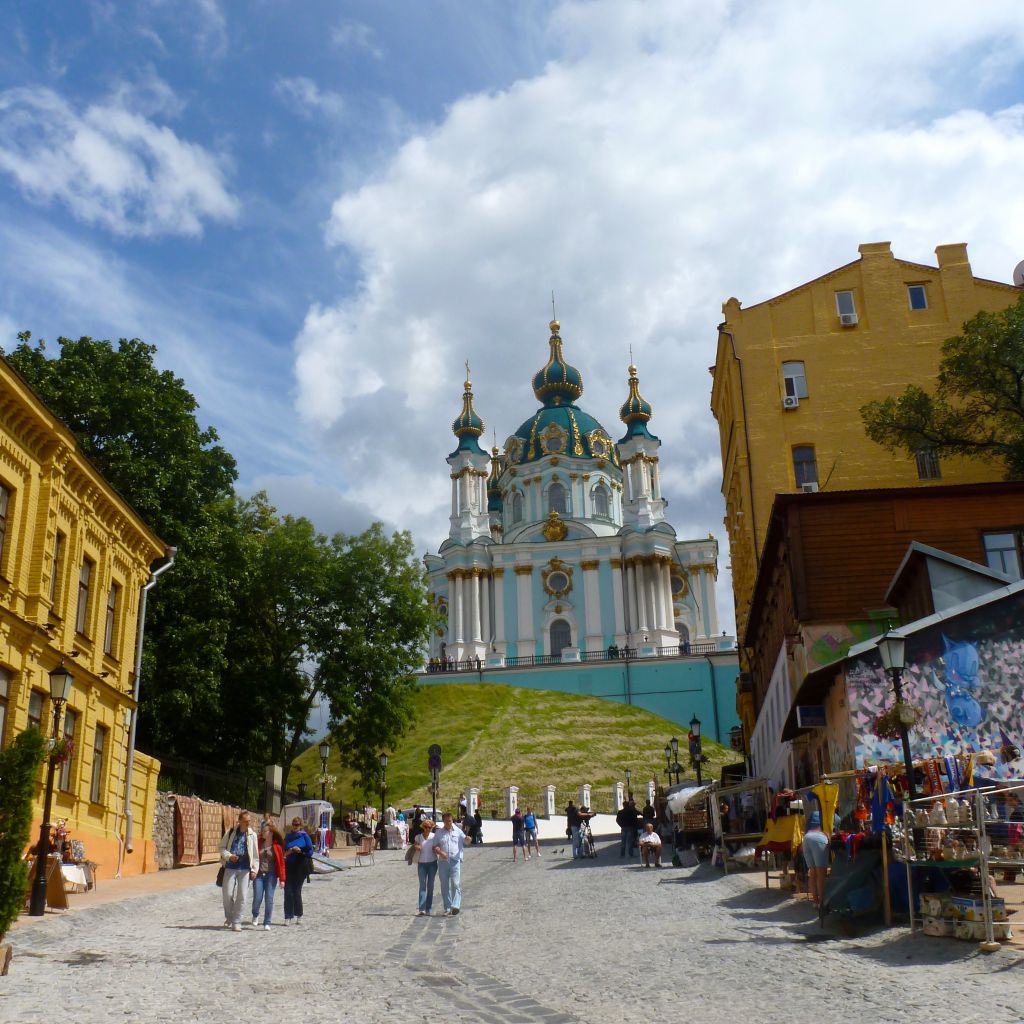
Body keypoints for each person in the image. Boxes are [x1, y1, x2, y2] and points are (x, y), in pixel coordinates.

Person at [219, 811, 258, 932]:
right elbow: (221, 848)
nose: (248, 823)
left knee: (242, 895)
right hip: (230, 866)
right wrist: (229, 856)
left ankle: (237, 921)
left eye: (249, 821)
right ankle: (229, 916)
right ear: (240, 821)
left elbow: (255, 855)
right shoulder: (231, 833)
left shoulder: (252, 835)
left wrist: (254, 870)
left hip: (245, 868)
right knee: (227, 893)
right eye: (246, 821)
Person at [251, 822, 286, 929]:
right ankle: (255, 914)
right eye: (262, 831)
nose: (262, 833)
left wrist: (282, 879)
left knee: (269, 899)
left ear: (270, 833)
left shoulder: (277, 847)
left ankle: (267, 922)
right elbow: (252, 858)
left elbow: (281, 864)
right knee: (257, 897)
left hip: (271, 875)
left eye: (265, 831)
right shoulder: (258, 843)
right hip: (259, 875)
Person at [433, 811, 466, 915]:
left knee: (456, 883)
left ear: (452, 820)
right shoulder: (439, 833)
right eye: (447, 821)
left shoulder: (458, 831)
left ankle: (455, 906)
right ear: (443, 821)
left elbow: (465, 840)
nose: (449, 823)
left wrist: (469, 839)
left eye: (450, 821)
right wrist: (440, 852)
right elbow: (434, 846)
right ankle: (447, 908)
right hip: (443, 862)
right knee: (444, 885)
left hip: (455, 860)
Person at [283, 816, 314, 925]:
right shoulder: (288, 836)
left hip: (300, 866)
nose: (295, 826)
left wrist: (300, 850)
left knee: (296, 891)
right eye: (293, 824)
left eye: (297, 824)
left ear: (300, 826)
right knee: (287, 892)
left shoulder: (304, 836)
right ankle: (288, 916)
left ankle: (299, 915)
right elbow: (283, 849)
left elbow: (310, 851)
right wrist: (289, 851)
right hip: (289, 865)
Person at [801, 811, 830, 906]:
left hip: (807, 838)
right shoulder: (829, 812)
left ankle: (816, 901)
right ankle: (822, 902)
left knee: (813, 873)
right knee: (821, 874)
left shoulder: (814, 813)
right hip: (819, 838)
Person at [414, 818, 438, 916]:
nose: (428, 829)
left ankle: (428, 907)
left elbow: (438, 846)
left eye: (430, 827)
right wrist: (417, 847)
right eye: (426, 827)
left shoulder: (434, 837)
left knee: (430, 886)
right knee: (422, 885)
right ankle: (422, 908)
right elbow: (415, 845)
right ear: (423, 827)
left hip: (432, 863)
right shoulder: (418, 837)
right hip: (421, 864)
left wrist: (437, 849)